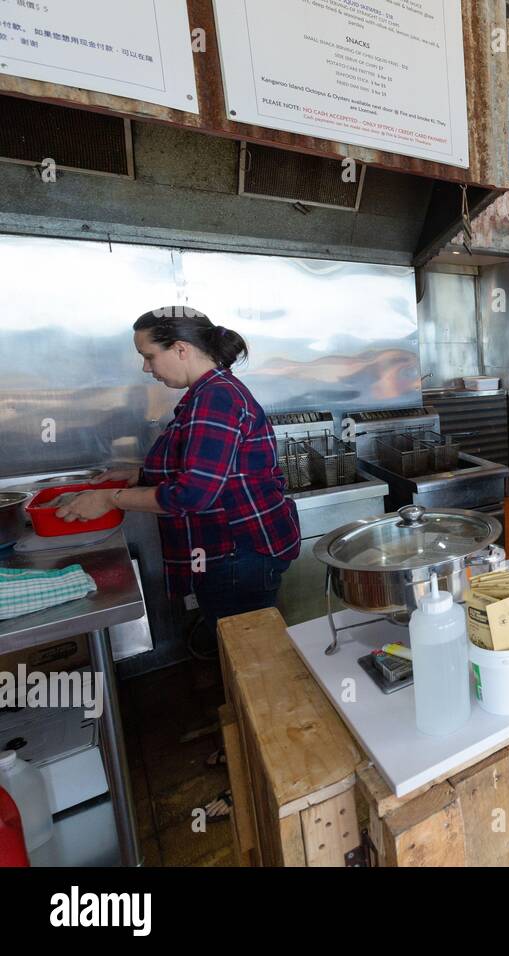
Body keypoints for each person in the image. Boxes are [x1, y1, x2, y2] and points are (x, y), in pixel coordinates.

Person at [57, 308, 301, 815]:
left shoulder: (215, 398)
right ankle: (244, 752)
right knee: (240, 666)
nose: (147, 368)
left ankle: (265, 784)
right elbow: (190, 465)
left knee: (254, 672)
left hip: (239, 555)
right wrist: (136, 472)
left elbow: (192, 492)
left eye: (150, 356)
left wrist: (113, 501)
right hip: (227, 554)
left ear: (181, 349)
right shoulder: (204, 397)